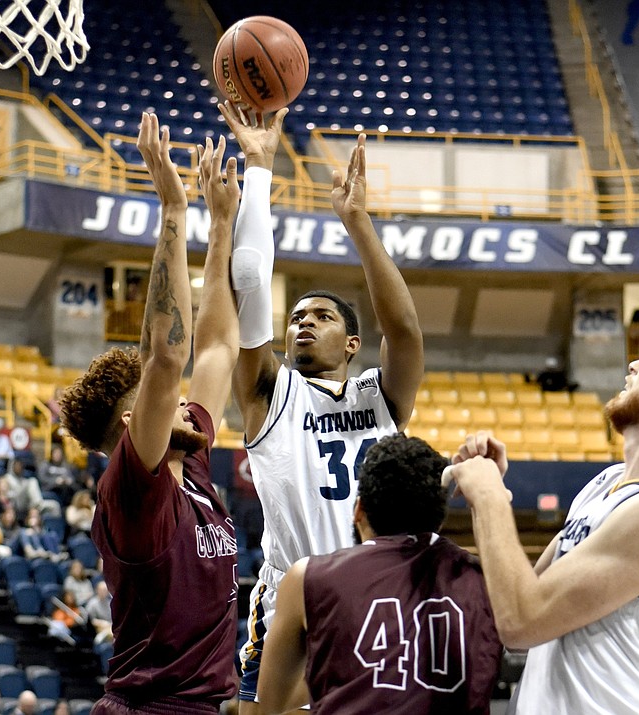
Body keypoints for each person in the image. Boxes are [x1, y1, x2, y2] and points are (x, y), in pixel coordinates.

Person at [218, 102, 425, 715]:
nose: (303, 323)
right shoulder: (270, 394)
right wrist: (260, 168)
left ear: (352, 343)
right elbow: (248, 288)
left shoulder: (377, 397)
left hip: (377, 603)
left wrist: (357, 223)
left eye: (322, 316)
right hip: (292, 605)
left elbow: (407, 334)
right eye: (297, 318)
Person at [446, 324, 639, 715]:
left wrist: (490, 495)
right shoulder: (608, 483)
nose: (634, 363)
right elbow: (522, 621)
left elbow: (522, 620)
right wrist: (491, 497)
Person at [58, 115, 242, 713]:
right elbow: (167, 355)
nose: (182, 399)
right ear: (136, 424)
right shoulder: (132, 488)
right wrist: (173, 208)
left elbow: (217, 348)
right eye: (160, 402)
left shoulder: (190, 462)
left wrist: (220, 230)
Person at [257, 434, 502, 714]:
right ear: (440, 519)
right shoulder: (488, 582)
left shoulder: (307, 577)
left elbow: (271, 705)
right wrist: (489, 498)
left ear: (358, 510)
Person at [85, 579, 113, 645]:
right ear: (97, 590)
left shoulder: (110, 602)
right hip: (99, 627)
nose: (104, 592)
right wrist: (102, 623)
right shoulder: (92, 603)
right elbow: (90, 620)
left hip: (110, 626)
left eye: (105, 590)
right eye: (102, 590)